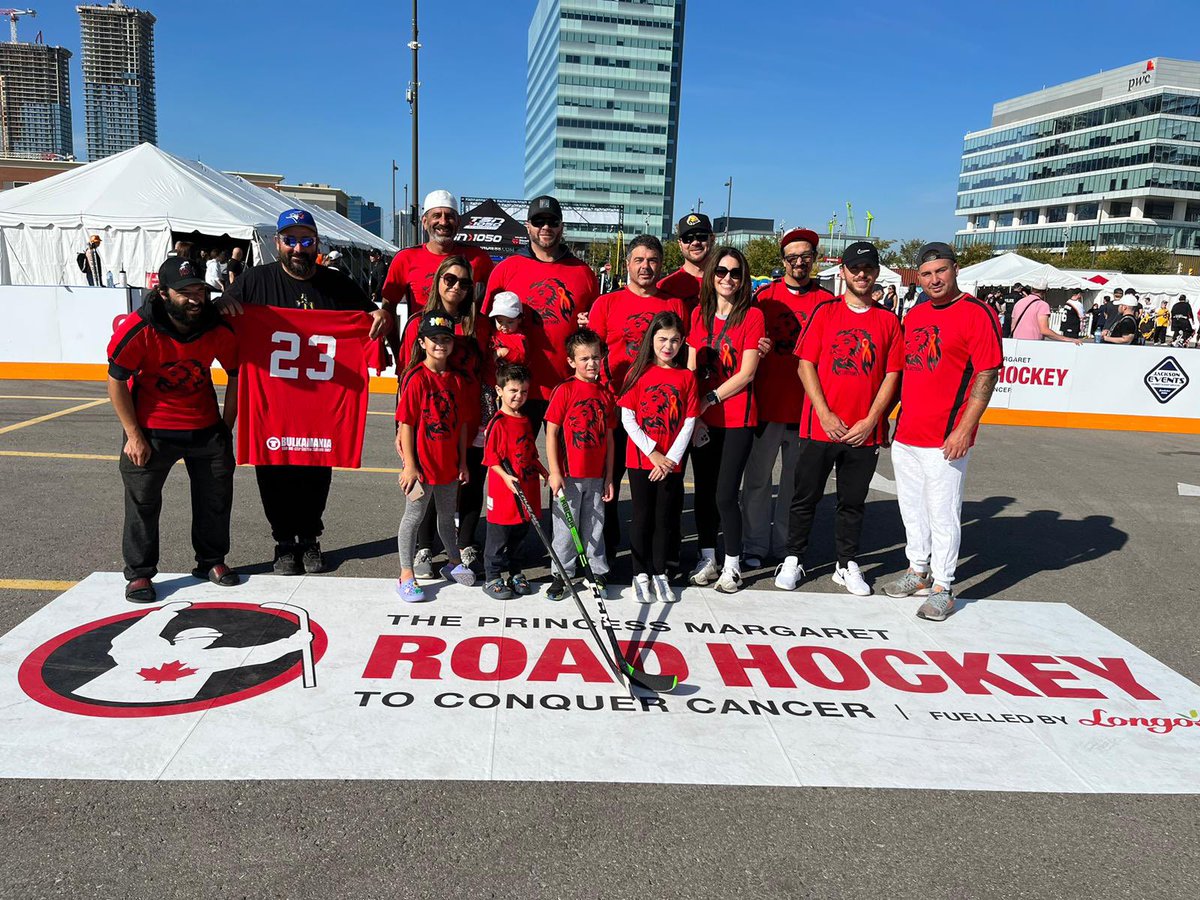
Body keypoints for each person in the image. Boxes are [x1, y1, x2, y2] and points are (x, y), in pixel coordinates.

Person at [219, 208, 393, 575]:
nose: (299, 248)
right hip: (273, 403)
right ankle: (284, 542)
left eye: (306, 240)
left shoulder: (338, 284)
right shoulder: (254, 282)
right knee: (274, 473)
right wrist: (221, 304)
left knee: (316, 474)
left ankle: (310, 539)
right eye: (291, 240)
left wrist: (380, 316)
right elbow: (219, 316)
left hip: (321, 404)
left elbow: (370, 319)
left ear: (317, 243)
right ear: (277, 242)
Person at [107, 257, 240, 603]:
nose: (196, 299)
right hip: (151, 430)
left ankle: (211, 561)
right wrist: (133, 435)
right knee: (143, 502)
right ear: (163, 293)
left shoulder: (216, 326)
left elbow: (236, 374)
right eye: (185, 293)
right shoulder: (140, 328)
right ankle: (139, 573)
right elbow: (116, 382)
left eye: (200, 290)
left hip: (205, 428)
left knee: (215, 499)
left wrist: (226, 426)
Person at [774, 243, 902, 596]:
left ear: (876, 273)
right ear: (843, 272)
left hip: (865, 432)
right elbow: (805, 365)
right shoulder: (825, 312)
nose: (862, 274)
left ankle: (846, 564)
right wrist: (825, 413)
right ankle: (794, 557)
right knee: (805, 497)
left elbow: (892, 375)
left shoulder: (888, 320)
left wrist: (872, 419)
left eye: (868, 268)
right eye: (855, 268)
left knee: (852, 503)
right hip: (821, 427)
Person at [882, 242, 1001, 622]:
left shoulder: (976, 313)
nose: (934, 280)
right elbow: (905, 372)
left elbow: (987, 374)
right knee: (912, 510)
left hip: (946, 436)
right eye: (927, 274)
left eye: (941, 271)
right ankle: (918, 570)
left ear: (955, 270)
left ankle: (943, 586)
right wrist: (889, 416)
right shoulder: (915, 314)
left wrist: (966, 428)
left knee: (944, 513)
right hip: (908, 433)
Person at [587, 235, 688, 560]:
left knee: (664, 490)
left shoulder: (673, 305)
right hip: (617, 410)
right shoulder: (607, 304)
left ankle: (663, 554)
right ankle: (610, 550)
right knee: (609, 486)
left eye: (653, 260)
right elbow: (592, 354)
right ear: (627, 263)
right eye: (639, 260)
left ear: (661, 264)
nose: (646, 266)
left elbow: (683, 358)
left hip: (661, 416)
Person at [741, 227, 834, 567]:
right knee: (757, 482)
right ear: (783, 260)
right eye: (793, 257)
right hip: (766, 405)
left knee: (794, 486)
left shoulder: (827, 302)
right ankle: (754, 544)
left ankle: (784, 547)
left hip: (805, 410)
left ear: (814, 260)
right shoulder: (764, 298)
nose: (799, 263)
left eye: (805, 257)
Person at [398, 256, 487, 578]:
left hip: (464, 426)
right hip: (424, 433)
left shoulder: (478, 324)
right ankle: (418, 554)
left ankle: (459, 552)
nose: (457, 287)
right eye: (450, 279)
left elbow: (487, 372)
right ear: (438, 280)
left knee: (458, 496)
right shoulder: (418, 327)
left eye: (465, 282)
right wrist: (403, 439)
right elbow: (404, 377)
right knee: (421, 503)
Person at [484, 195, 598, 433]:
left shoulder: (583, 273)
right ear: (528, 226)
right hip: (518, 387)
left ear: (561, 226)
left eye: (552, 221)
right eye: (538, 221)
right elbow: (486, 324)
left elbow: (595, 331)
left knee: (568, 466)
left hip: (567, 384)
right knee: (515, 463)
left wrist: (590, 324)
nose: (545, 227)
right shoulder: (506, 268)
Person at [686, 247, 765, 593]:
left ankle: (732, 564)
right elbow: (689, 369)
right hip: (704, 419)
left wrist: (709, 398)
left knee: (724, 494)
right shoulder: (698, 315)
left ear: (743, 278)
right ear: (711, 276)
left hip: (737, 418)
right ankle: (708, 558)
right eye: (721, 271)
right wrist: (694, 412)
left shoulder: (752, 317)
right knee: (703, 492)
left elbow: (747, 373)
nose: (727, 278)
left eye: (735, 272)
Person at [395, 313, 476, 602]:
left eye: (446, 339)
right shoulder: (417, 378)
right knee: (414, 517)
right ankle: (406, 574)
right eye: (434, 339)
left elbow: (464, 423)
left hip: (448, 465)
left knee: (446, 515)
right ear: (422, 342)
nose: (440, 344)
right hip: (422, 466)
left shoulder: (457, 379)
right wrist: (410, 466)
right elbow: (406, 424)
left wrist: (463, 462)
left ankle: (453, 561)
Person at [619, 312, 698, 604]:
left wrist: (670, 460)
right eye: (662, 339)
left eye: (675, 340)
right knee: (642, 517)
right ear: (651, 340)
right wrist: (653, 453)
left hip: (671, 465)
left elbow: (689, 421)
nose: (668, 346)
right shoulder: (636, 373)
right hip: (642, 461)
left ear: (682, 342)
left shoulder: (686, 377)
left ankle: (659, 570)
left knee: (665, 518)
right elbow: (628, 417)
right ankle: (640, 572)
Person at [545, 329, 616, 600]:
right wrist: (555, 471)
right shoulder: (565, 390)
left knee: (594, 526)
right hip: (569, 475)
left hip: (596, 475)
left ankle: (596, 572)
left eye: (596, 357)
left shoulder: (604, 394)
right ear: (572, 361)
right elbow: (551, 432)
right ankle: (561, 574)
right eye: (584, 358)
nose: (591, 363)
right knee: (565, 527)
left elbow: (609, 438)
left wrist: (609, 475)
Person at [481, 364, 548, 600]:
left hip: (526, 488)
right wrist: (505, 476)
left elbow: (530, 452)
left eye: (523, 392)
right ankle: (492, 576)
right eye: (513, 391)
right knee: (499, 537)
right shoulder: (498, 422)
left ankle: (516, 572)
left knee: (520, 535)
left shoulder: (526, 419)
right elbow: (491, 459)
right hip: (505, 492)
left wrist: (543, 470)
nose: (518, 396)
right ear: (499, 390)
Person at [381, 190, 495, 315]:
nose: (443, 222)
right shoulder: (405, 258)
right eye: (436, 216)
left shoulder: (478, 257)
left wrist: (480, 324)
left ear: (458, 223)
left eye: (449, 216)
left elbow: (495, 298)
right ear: (424, 222)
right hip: (419, 333)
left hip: (466, 334)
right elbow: (388, 309)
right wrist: (398, 335)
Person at [657, 212, 714, 312]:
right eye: (688, 239)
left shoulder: (726, 281)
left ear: (712, 239)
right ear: (680, 244)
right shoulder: (665, 286)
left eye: (701, 237)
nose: (695, 243)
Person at [1010, 283, 1081, 344]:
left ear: (1032, 289)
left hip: (1017, 342)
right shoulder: (1042, 305)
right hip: (1033, 343)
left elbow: (1013, 326)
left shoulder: (1019, 303)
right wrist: (1068, 339)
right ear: (1045, 291)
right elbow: (1044, 330)